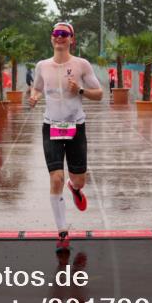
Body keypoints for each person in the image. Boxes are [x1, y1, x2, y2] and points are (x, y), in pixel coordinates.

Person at [28, 22, 103, 253]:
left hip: (75, 126)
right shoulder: (42, 66)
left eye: (64, 34)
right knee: (56, 178)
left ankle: (75, 187)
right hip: (52, 125)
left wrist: (79, 90)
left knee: (78, 180)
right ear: (51, 38)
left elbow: (99, 94)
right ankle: (62, 232)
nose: (59, 37)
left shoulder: (81, 65)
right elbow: (37, 88)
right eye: (56, 33)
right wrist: (34, 96)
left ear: (72, 39)